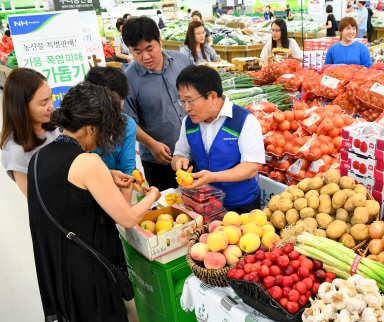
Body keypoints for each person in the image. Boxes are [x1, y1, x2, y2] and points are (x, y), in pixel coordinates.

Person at [27, 82, 160, 322]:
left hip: (57, 268)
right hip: (88, 272)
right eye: (103, 131)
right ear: (89, 129)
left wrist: (107, 176)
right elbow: (128, 219)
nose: (102, 139)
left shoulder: (39, 158)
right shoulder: (88, 162)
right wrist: (152, 195)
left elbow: (65, 189)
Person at [171, 65, 264, 214]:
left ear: (213, 96)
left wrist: (212, 177)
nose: (186, 108)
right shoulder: (189, 122)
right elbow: (180, 153)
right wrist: (179, 162)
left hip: (240, 205)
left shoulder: (244, 120)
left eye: (190, 101)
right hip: (205, 204)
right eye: (182, 101)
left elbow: (251, 168)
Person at [122, 17, 193, 191]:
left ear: (160, 41)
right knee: (168, 211)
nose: (145, 57)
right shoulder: (128, 80)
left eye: (149, 48)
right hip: (160, 160)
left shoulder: (182, 61)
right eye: (136, 51)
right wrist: (152, 144)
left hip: (195, 152)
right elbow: (127, 122)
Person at [1, 68, 60, 197]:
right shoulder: (18, 152)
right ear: (22, 107)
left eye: (51, 98)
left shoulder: (50, 125)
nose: (52, 106)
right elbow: (37, 200)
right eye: (44, 103)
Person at [84, 67, 138, 200]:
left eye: (118, 102)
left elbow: (127, 170)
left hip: (114, 192)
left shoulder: (127, 124)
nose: (113, 112)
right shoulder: (79, 127)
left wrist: (125, 210)